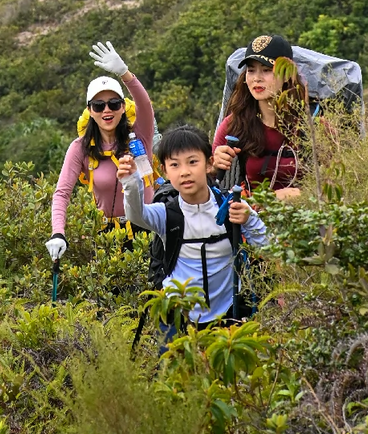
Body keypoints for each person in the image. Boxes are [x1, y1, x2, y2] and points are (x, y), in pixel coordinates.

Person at [119, 124, 267, 328]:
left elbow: (269, 247)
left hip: (228, 315)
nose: (185, 172)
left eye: (193, 162)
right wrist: (131, 182)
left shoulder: (231, 207)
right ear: (165, 171)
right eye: (175, 165)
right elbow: (136, 214)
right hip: (178, 316)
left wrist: (249, 219)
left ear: (209, 164)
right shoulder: (167, 214)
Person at [46, 40, 155, 262]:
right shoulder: (80, 148)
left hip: (149, 228)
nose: (107, 110)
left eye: (114, 103)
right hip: (107, 237)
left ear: (123, 107)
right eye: (99, 105)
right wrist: (58, 233)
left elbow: (145, 105)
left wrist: (125, 74)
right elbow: (62, 193)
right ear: (90, 110)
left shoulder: (139, 136)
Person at [213, 34, 304, 200]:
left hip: (305, 219)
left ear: (286, 75)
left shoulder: (310, 126)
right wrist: (214, 163)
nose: (257, 78)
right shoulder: (236, 123)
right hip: (252, 219)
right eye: (251, 70)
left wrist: (299, 196)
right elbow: (209, 176)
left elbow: (335, 185)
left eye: (267, 70)